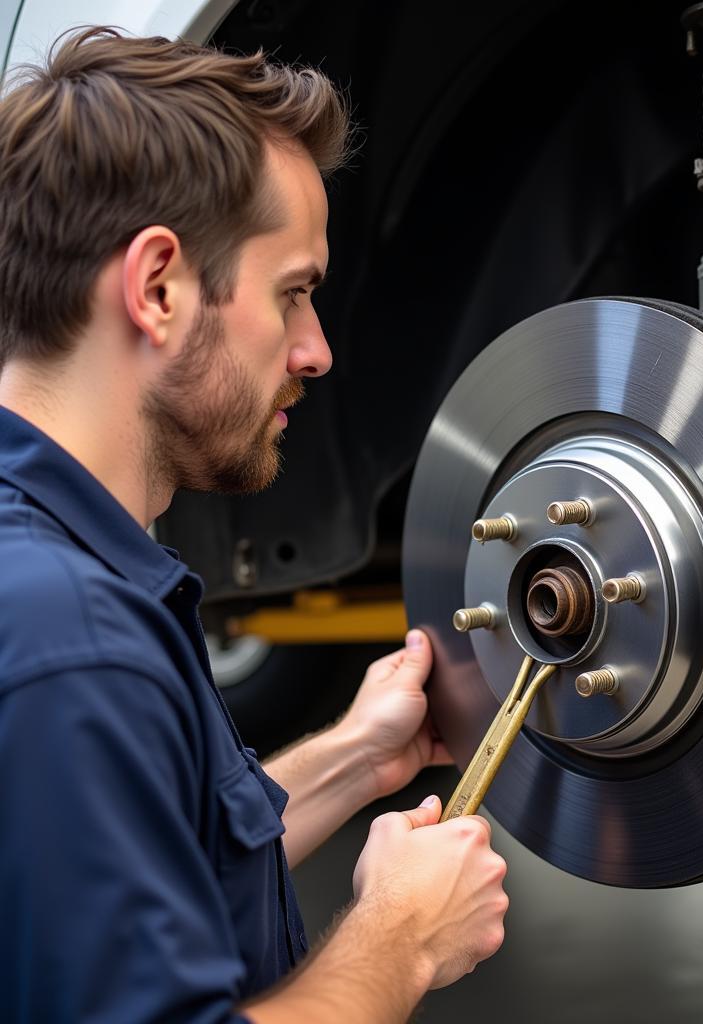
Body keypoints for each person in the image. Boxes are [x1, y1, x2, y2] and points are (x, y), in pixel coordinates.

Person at [0, 26, 508, 1023]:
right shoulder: (69, 643)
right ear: (157, 288)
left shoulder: (61, 574)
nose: (315, 350)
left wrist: (359, 753)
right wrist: (399, 937)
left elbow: (146, 869)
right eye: (294, 294)